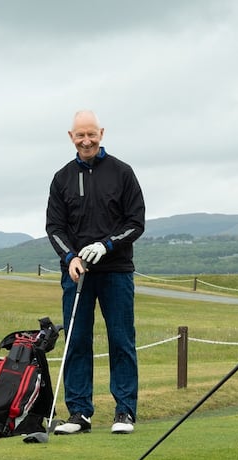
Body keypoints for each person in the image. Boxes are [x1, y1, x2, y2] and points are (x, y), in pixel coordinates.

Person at [45, 110, 146, 435]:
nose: (86, 140)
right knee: (76, 340)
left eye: (91, 134)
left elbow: (135, 222)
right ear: (71, 137)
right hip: (77, 273)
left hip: (116, 270)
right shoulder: (62, 178)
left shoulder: (122, 172)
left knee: (121, 340)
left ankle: (125, 411)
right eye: (80, 135)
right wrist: (71, 257)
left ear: (101, 133)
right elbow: (55, 227)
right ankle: (79, 413)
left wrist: (106, 245)